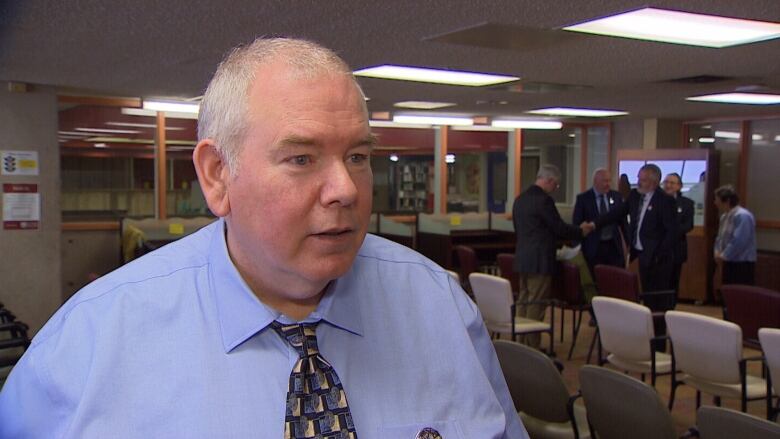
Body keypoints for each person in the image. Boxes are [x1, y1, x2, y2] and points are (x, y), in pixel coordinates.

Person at [0, 38, 528, 438]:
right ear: (217, 175)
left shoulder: (440, 308)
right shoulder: (88, 346)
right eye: (301, 158)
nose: (345, 188)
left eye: (358, 157)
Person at [512, 164, 593, 349]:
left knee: (523, 300)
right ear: (548, 180)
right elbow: (558, 228)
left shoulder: (520, 199)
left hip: (523, 256)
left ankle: (519, 344)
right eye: (555, 185)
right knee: (536, 304)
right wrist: (580, 231)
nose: (555, 189)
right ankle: (530, 347)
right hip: (540, 259)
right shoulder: (544, 200)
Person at [597, 164, 676, 351]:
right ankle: (647, 341)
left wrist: (659, 253)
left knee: (658, 303)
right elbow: (616, 214)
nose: (639, 182)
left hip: (659, 260)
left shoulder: (665, 201)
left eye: (643, 179)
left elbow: (672, 232)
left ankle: (658, 347)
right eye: (639, 177)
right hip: (642, 256)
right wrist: (594, 224)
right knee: (647, 301)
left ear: (654, 182)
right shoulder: (634, 196)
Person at [572, 168, 628, 278]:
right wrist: (577, 248)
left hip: (613, 246)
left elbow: (623, 222)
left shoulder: (616, 197)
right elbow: (577, 224)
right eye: (604, 181)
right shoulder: (583, 199)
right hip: (593, 247)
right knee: (596, 278)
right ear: (595, 181)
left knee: (615, 278)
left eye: (609, 181)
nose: (608, 184)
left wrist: (628, 242)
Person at [714, 185, 757, 286]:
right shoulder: (724, 216)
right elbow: (719, 238)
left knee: (741, 296)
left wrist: (724, 255)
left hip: (742, 263)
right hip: (727, 262)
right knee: (727, 295)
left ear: (727, 200)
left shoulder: (742, 216)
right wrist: (717, 252)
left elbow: (739, 240)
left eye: (717, 200)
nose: (715, 203)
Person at [663, 172, 694, 299]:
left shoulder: (687, 203)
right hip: (657, 249)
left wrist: (671, 232)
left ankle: (671, 308)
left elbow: (688, 225)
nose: (668, 185)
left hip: (676, 249)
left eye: (672, 183)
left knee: (673, 281)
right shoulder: (655, 200)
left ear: (679, 186)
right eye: (666, 182)